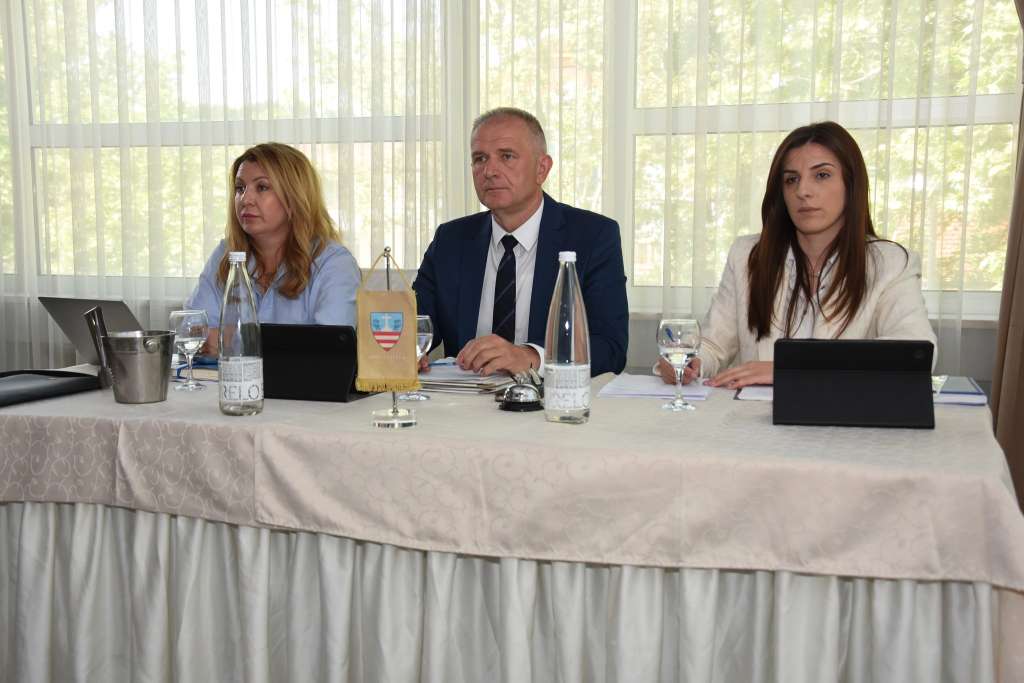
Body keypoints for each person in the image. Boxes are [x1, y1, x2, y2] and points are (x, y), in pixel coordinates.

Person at [658, 120, 936, 388]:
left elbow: (914, 352)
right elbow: (714, 345)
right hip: (754, 415)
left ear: (851, 185)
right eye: (791, 179)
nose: (803, 191)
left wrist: (790, 368)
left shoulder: (891, 263)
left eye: (822, 175)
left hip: (843, 417)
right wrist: (693, 362)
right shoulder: (748, 256)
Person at [413, 107, 629, 376]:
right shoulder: (451, 239)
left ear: (542, 169)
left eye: (506, 156)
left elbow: (610, 348)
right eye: (480, 158)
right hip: (464, 396)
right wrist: (406, 350)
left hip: (549, 397)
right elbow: (416, 325)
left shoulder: (593, 236)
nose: (489, 170)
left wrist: (531, 357)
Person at [188, 143, 361, 354]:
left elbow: (329, 350)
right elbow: (192, 332)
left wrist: (233, 339)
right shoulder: (226, 254)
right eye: (240, 188)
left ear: (294, 197)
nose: (245, 199)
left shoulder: (334, 263)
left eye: (262, 187)